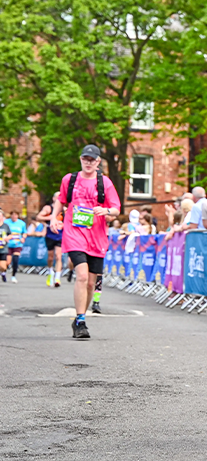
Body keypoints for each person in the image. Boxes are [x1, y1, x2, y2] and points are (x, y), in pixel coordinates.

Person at [50, 144, 120, 339]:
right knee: (81, 275)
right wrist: (54, 217)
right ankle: (81, 320)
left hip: (97, 236)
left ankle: (80, 316)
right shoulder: (69, 179)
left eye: (92, 159)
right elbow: (61, 200)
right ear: (81, 159)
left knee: (91, 283)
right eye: (85, 159)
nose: (88, 162)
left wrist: (105, 211)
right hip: (74, 233)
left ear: (98, 162)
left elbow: (116, 208)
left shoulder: (104, 182)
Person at [37, 194, 64, 287]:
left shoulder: (64, 210)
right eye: (57, 197)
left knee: (58, 256)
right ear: (53, 198)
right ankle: (50, 272)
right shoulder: (48, 208)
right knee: (50, 257)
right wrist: (49, 218)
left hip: (60, 235)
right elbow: (38, 217)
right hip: (50, 235)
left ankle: (57, 277)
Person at [4, 210, 27, 283]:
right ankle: (3, 272)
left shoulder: (21, 223)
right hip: (8, 244)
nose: (14, 217)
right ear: (10, 216)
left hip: (17, 244)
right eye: (13, 215)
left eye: (15, 215)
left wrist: (23, 238)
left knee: (16, 260)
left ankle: (13, 276)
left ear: (18, 216)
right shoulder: (6, 222)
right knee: (7, 262)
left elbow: (24, 233)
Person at [0, 210, 10, 283]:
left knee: (3, 266)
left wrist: (7, 238)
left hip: (3, 248)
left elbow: (10, 234)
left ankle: (3, 273)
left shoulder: (5, 226)